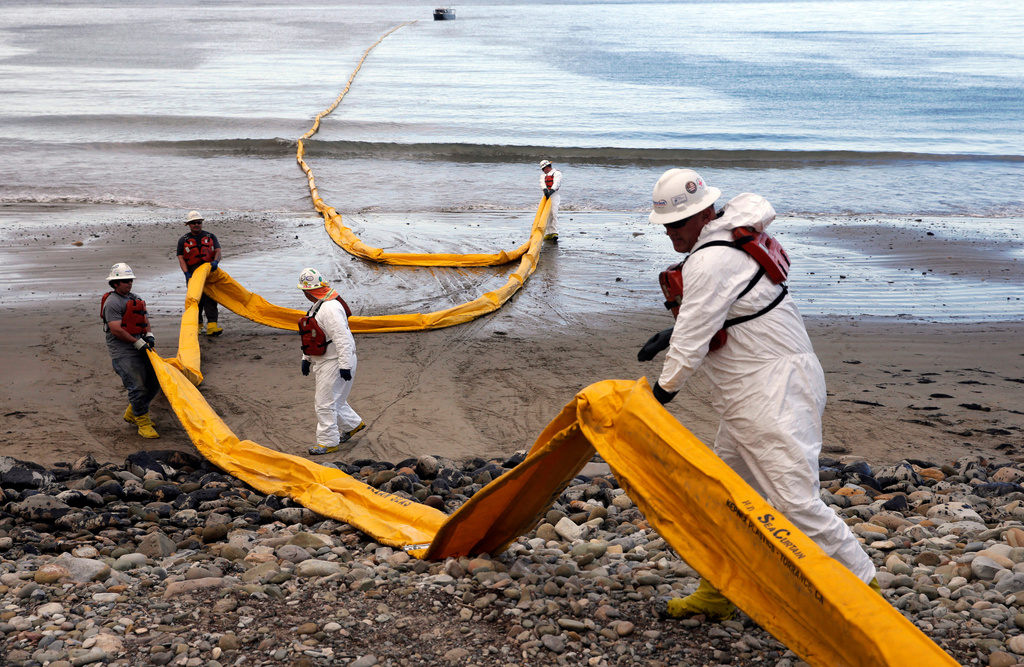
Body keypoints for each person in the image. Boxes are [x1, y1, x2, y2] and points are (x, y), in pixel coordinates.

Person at [638, 168, 878, 620]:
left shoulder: (710, 259)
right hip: (758, 390)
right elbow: (723, 314)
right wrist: (670, 335)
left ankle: (870, 599)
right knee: (726, 494)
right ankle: (720, 590)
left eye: (676, 224)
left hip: (771, 393)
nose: (670, 234)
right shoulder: (726, 242)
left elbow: (693, 337)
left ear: (703, 213)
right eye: (665, 225)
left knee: (795, 504)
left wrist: (659, 396)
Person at [296, 267, 366, 455]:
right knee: (336, 400)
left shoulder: (329, 308)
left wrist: (344, 365)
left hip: (335, 361)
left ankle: (328, 442)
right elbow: (312, 336)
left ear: (308, 291)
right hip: (326, 359)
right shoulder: (319, 305)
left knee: (324, 403)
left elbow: (343, 339)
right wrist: (307, 358)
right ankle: (353, 425)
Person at [101, 262, 160, 439]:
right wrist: (136, 342)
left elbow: (144, 318)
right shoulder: (112, 303)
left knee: (154, 382)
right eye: (125, 281)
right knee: (137, 387)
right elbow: (116, 329)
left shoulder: (135, 298)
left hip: (140, 344)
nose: (129, 283)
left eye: (130, 280)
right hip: (123, 351)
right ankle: (142, 422)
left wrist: (148, 334)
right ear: (115, 284)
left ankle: (134, 412)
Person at [176, 210, 223, 336]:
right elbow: (181, 258)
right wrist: (186, 273)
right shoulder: (183, 240)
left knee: (211, 299)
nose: (196, 225)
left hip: (209, 272)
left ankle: (212, 326)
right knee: (196, 300)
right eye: (193, 223)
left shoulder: (211, 236)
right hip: (192, 272)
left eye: (198, 222)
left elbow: (218, 251)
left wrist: (215, 262)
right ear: (189, 225)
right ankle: (197, 326)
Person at [539, 159, 562, 242]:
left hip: (554, 195)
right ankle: (547, 233)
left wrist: (551, 191)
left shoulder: (557, 173)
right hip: (545, 195)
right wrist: (545, 190)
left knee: (553, 213)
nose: (542, 170)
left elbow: (557, 183)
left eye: (543, 169)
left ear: (546, 167)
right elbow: (542, 183)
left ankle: (554, 232)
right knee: (544, 213)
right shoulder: (543, 175)